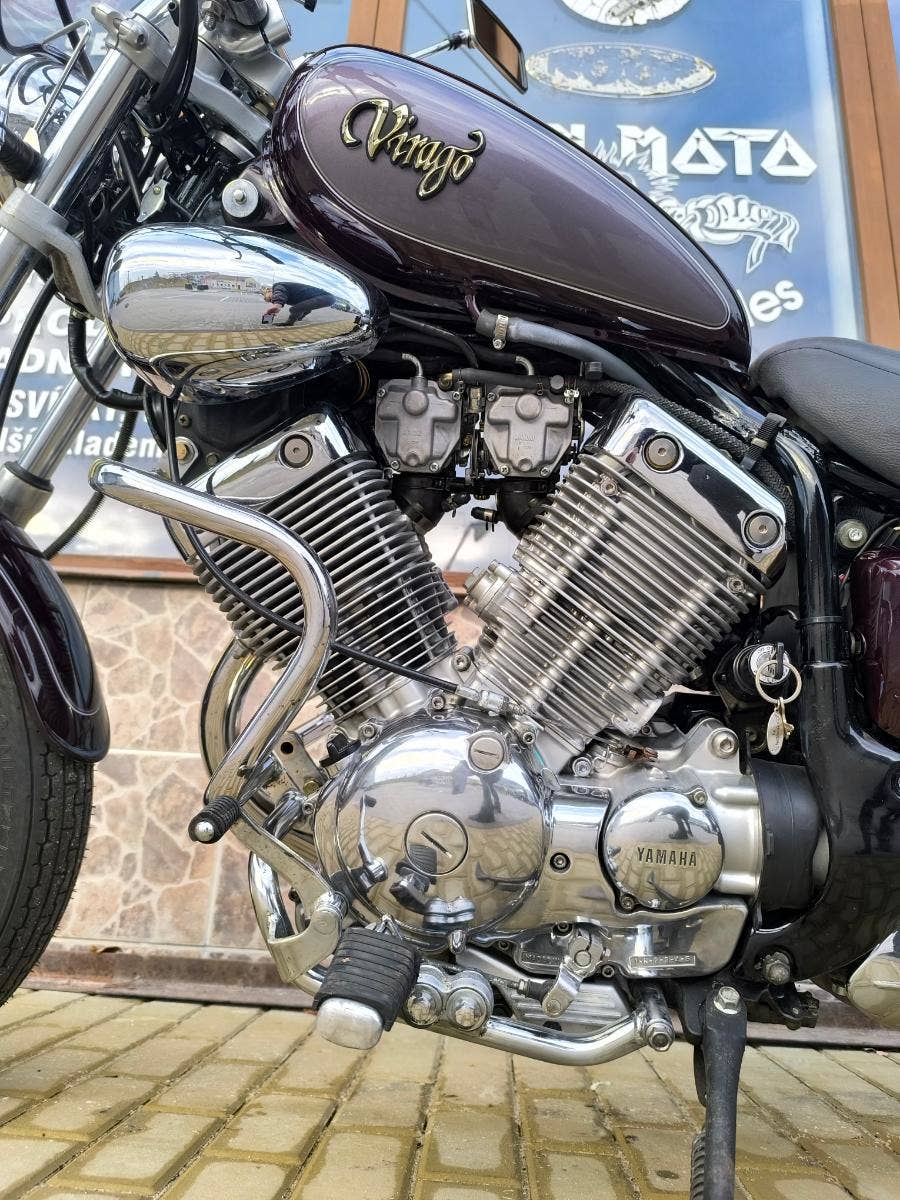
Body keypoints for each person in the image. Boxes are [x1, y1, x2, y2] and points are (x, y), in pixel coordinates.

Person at [261, 282, 338, 326]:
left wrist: (277, 304)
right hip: (327, 298)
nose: (272, 301)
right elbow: (306, 308)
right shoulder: (290, 296)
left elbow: (279, 292)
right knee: (301, 307)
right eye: (270, 301)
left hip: (326, 297)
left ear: (270, 291)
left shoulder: (277, 286)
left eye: (270, 298)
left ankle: (289, 323)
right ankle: (299, 318)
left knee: (294, 309)